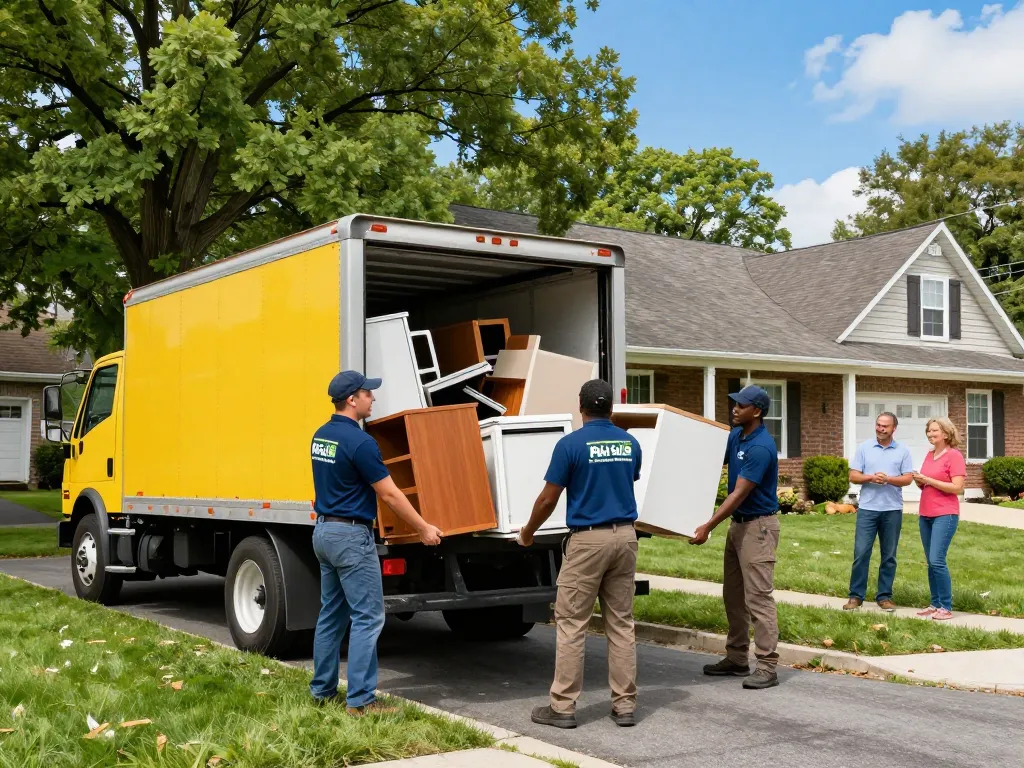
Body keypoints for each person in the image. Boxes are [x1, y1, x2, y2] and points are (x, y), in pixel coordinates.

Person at [309, 370, 443, 714]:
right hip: (351, 537)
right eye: (368, 393)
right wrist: (423, 527)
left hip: (324, 531)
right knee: (368, 617)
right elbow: (389, 494)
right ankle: (361, 701)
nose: (373, 398)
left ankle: (322, 691)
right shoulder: (361, 443)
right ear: (352, 399)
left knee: (331, 615)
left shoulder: (321, 436)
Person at [518, 379, 642, 729]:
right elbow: (627, 479)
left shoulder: (570, 445)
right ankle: (625, 706)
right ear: (611, 408)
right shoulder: (630, 442)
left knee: (572, 623)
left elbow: (548, 498)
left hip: (588, 540)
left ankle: (563, 707)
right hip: (626, 537)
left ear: (580, 406)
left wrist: (528, 532)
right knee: (621, 623)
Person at [690, 384, 781, 690]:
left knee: (758, 598)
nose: (735, 408)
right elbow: (710, 462)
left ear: (757, 411)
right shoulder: (737, 436)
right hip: (739, 526)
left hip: (758, 528)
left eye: (741, 405)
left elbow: (738, 494)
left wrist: (708, 526)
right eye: (735, 404)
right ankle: (737, 658)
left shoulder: (761, 447)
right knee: (733, 595)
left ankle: (767, 665)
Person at [843, 412, 915, 612]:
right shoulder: (865, 448)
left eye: (885, 426)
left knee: (889, 556)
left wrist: (888, 479)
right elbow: (853, 475)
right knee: (861, 553)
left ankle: (884, 597)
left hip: (892, 510)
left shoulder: (903, 451)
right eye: (878, 425)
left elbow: (908, 478)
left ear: (894, 429)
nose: (880, 429)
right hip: (867, 509)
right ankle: (856, 596)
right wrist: (871, 478)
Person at [912, 417, 966, 621]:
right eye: (928, 431)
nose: (930, 434)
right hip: (925, 513)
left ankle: (946, 606)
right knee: (930, 562)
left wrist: (928, 479)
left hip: (945, 514)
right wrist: (920, 481)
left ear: (946, 433)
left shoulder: (954, 456)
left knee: (937, 560)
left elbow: (957, 487)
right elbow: (929, 484)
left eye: (935, 430)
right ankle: (935, 604)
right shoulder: (930, 455)